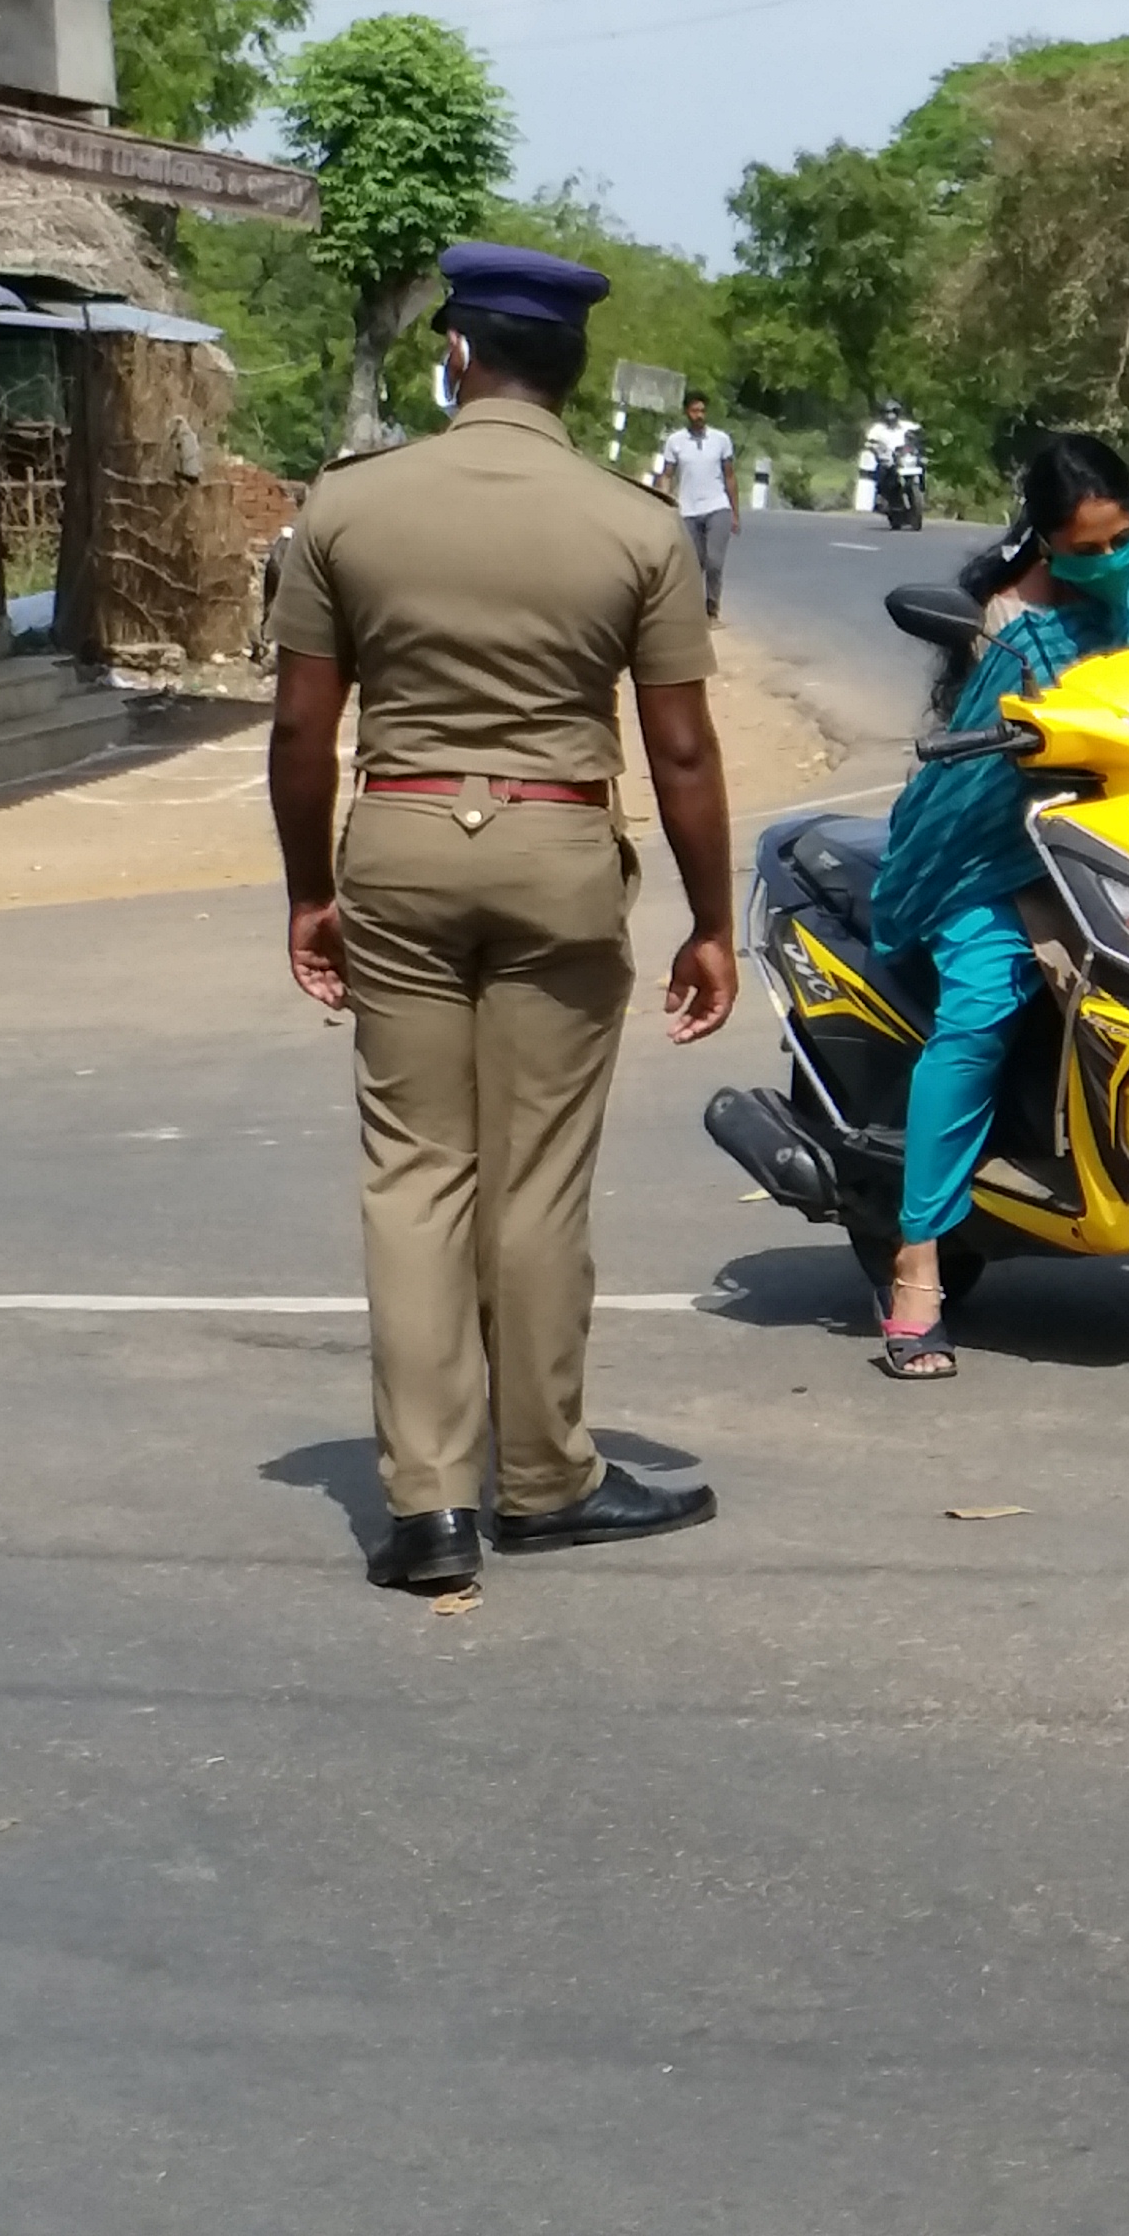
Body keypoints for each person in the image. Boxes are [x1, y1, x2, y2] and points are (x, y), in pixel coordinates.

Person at [263, 244, 741, 1593]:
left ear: (455, 355)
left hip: (401, 841)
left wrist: (312, 890)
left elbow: (305, 727)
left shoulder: (350, 509)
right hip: (557, 845)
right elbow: (685, 754)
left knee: (416, 1173)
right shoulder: (636, 527)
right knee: (533, 1181)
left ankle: (426, 1510)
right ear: (574, 379)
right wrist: (712, 921)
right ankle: (542, 1479)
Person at [862, 433, 1129, 1377]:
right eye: (1083, 551)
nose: (1107, 563)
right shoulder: (1011, 618)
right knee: (983, 1006)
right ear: (1046, 544)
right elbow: (986, 756)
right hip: (1003, 848)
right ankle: (918, 1260)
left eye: (1120, 541)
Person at [649, 392, 738, 620]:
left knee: (714, 562)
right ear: (687, 413)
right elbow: (667, 475)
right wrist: (663, 504)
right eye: (694, 411)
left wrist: (735, 512)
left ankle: (712, 608)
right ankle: (691, 612)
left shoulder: (721, 440)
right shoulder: (675, 442)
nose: (699, 415)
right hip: (688, 510)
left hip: (718, 506)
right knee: (693, 564)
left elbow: (729, 476)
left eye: (702, 411)